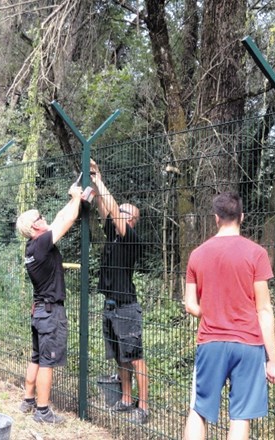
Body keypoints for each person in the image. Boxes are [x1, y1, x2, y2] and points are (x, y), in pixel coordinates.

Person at [183, 191, 275, 440]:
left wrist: (213, 309)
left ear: (216, 218)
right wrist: (273, 360)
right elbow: (264, 309)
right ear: (242, 217)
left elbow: (190, 305)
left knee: (198, 410)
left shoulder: (197, 255)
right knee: (240, 416)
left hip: (211, 342)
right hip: (248, 344)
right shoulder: (256, 253)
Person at [15, 181, 82, 424]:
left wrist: (72, 198)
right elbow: (67, 220)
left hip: (39, 312)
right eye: (41, 217)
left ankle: (28, 400)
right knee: (47, 362)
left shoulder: (32, 246)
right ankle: (42, 411)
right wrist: (76, 198)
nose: (45, 218)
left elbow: (58, 218)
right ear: (35, 225)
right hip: (50, 313)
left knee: (36, 357)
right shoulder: (42, 243)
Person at [89, 159, 150, 425]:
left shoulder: (130, 237)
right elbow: (105, 210)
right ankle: (126, 400)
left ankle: (143, 406)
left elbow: (112, 210)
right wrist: (96, 179)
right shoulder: (114, 233)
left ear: (132, 220)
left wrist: (101, 183)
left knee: (135, 358)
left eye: (122, 212)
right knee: (120, 358)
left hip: (126, 307)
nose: (117, 214)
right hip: (110, 305)